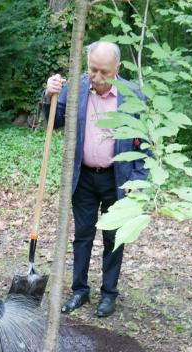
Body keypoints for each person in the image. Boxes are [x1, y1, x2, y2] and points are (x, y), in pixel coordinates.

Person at [43, 41, 148, 318]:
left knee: (114, 238)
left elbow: (145, 145)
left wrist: (138, 182)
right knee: (83, 235)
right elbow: (55, 121)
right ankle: (79, 290)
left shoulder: (133, 95)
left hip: (118, 179)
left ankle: (108, 294)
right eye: (93, 70)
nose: (98, 78)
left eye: (104, 72)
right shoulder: (77, 87)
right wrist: (49, 96)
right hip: (85, 177)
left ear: (118, 68)